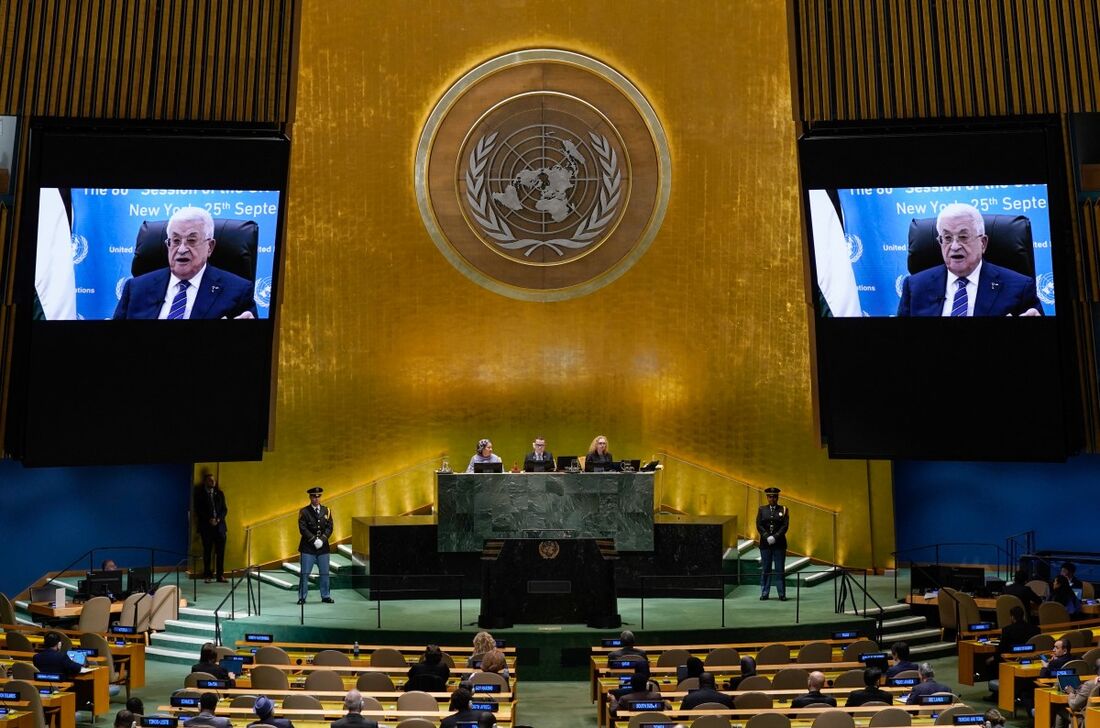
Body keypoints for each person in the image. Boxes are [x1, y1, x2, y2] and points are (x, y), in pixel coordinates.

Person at [897, 202, 1042, 318]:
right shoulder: (914, 287)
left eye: (963, 237)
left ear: (983, 243)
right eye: (947, 238)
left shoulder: (1020, 287)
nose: (954, 246)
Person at [113, 206, 257, 320]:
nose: (181, 249)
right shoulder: (135, 289)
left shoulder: (239, 291)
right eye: (175, 241)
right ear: (167, 244)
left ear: (210, 247)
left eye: (191, 240)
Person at [297, 487, 334, 605]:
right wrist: (313, 540)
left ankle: (326, 596)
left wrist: (322, 539)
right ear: (310, 497)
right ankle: (302, 597)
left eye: (318, 496)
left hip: (323, 548)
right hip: (308, 548)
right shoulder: (304, 511)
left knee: (324, 573)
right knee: (305, 573)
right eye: (314, 496)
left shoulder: (326, 510)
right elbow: (302, 528)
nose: (316, 499)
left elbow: (330, 527)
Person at [194, 472, 229, 583]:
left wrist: (218, 519)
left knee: (221, 552)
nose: (213, 482)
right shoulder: (200, 495)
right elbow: (198, 510)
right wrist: (209, 519)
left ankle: (220, 575)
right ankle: (207, 575)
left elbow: (224, 509)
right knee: (207, 552)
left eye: (213, 480)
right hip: (207, 528)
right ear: (205, 482)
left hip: (220, 527)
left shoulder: (219, 494)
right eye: (210, 480)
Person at [757, 486, 789, 601]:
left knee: (779, 569)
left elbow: (785, 526)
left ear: (777, 497)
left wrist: (775, 537)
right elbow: (759, 525)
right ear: (767, 497)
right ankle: (765, 593)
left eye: (774, 496)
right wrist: (766, 536)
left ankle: (781, 593)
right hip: (765, 544)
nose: (772, 499)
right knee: (766, 569)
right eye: (770, 496)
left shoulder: (783, 509)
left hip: (779, 544)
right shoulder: (762, 509)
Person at [1053, 659, 1100, 728]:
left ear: (1095, 670)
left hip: (1086, 719)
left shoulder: (1089, 685)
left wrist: (1071, 693)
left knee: (1060, 711)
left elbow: (1073, 705)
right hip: (1097, 717)